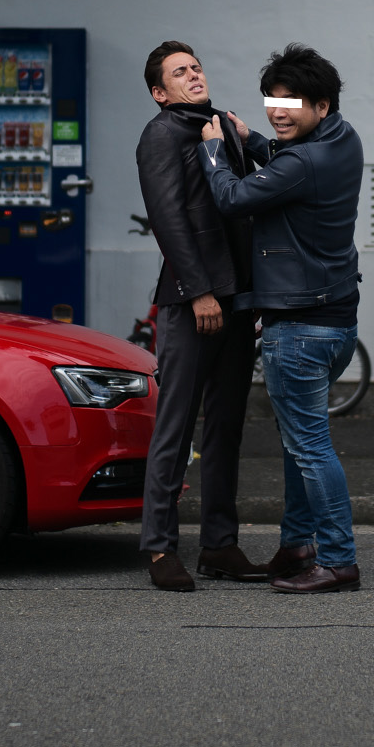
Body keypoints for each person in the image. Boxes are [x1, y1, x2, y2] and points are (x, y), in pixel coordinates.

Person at [199, 43, 364, 593]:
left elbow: (234, 198)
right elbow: (289, 164)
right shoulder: (342, 140)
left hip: (298, 328)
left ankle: (338, 559)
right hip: (338, 323)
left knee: (311, 447)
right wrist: (256, 141)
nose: (278, 109)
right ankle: (298, 546)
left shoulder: (303, 161)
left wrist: (218, 152)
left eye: (292, 101)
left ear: (321, 104)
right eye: (272, 98)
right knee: (301, 443)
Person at [133, 40, 267, 592]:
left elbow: (242, 210)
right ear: (160, 93)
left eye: (196, 67)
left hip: (237, 301)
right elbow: (168, 220)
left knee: (227, 427)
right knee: (176, 426)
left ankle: (220, 544)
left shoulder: (221, 127)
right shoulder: (161, 135)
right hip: (193, 303)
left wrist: (250, 296)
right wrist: (199, 293)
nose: (194, 76)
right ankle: (160, 548)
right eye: (179, 73)